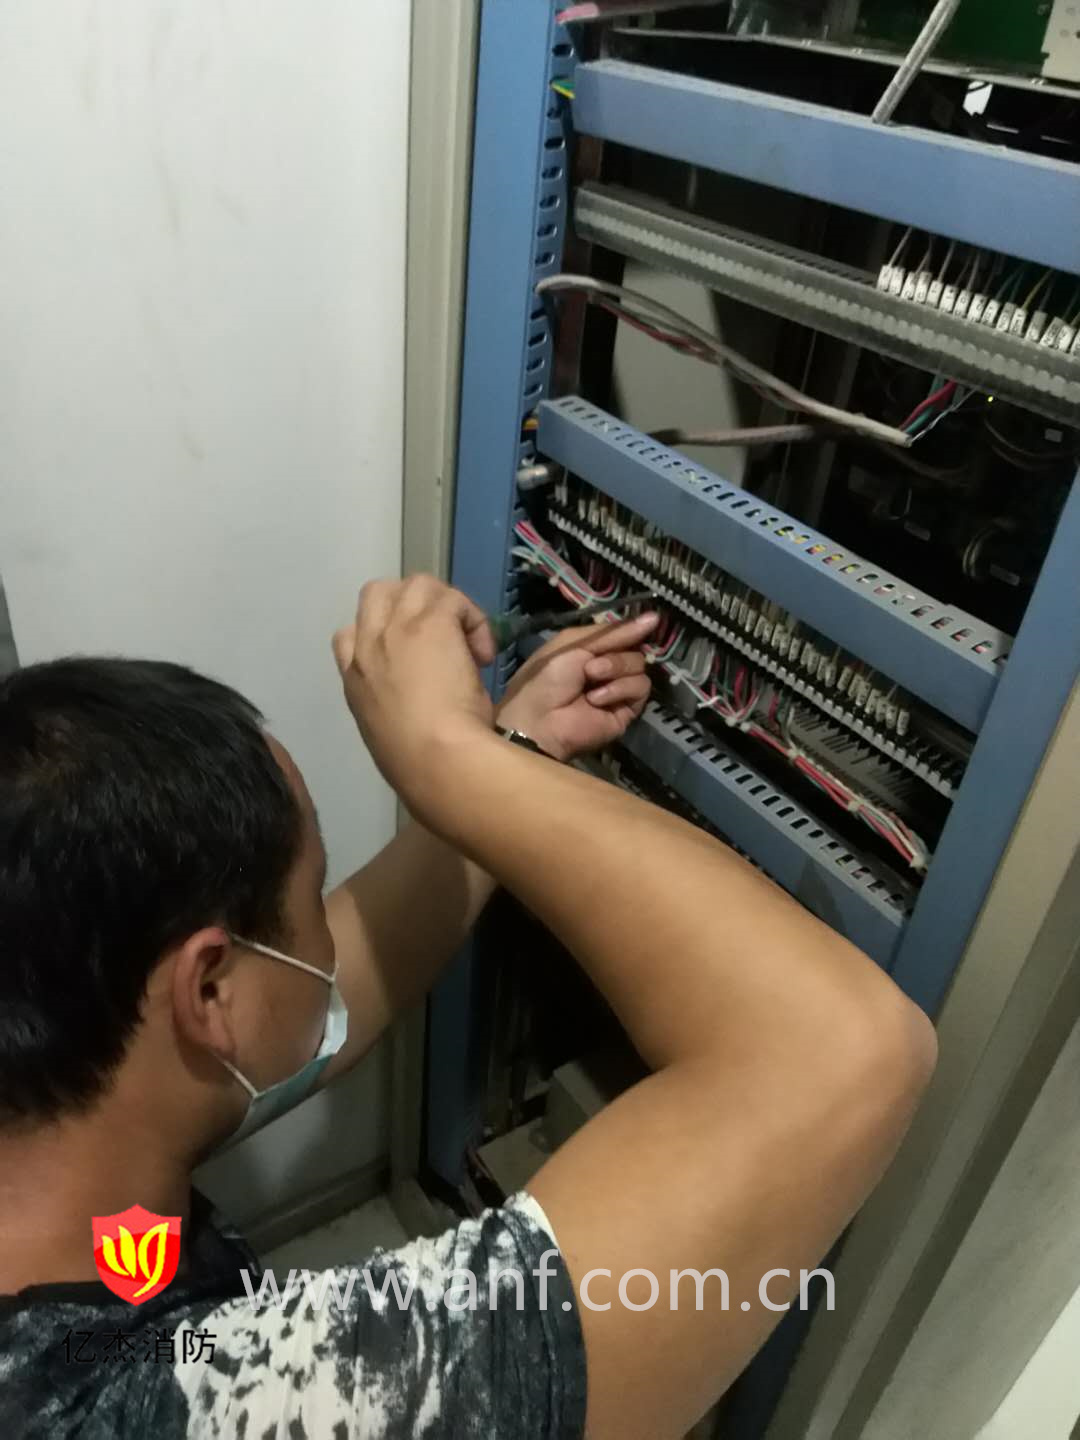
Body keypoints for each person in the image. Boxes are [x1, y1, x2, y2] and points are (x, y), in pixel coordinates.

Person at [0, 576, 936, 1440]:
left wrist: (509, 749)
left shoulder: (53, 1096)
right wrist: (446, 760)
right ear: (209, 992)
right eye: (310, 899)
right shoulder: (170, 1410)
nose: (324, 935)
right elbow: (839, 1052)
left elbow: (304, 997)